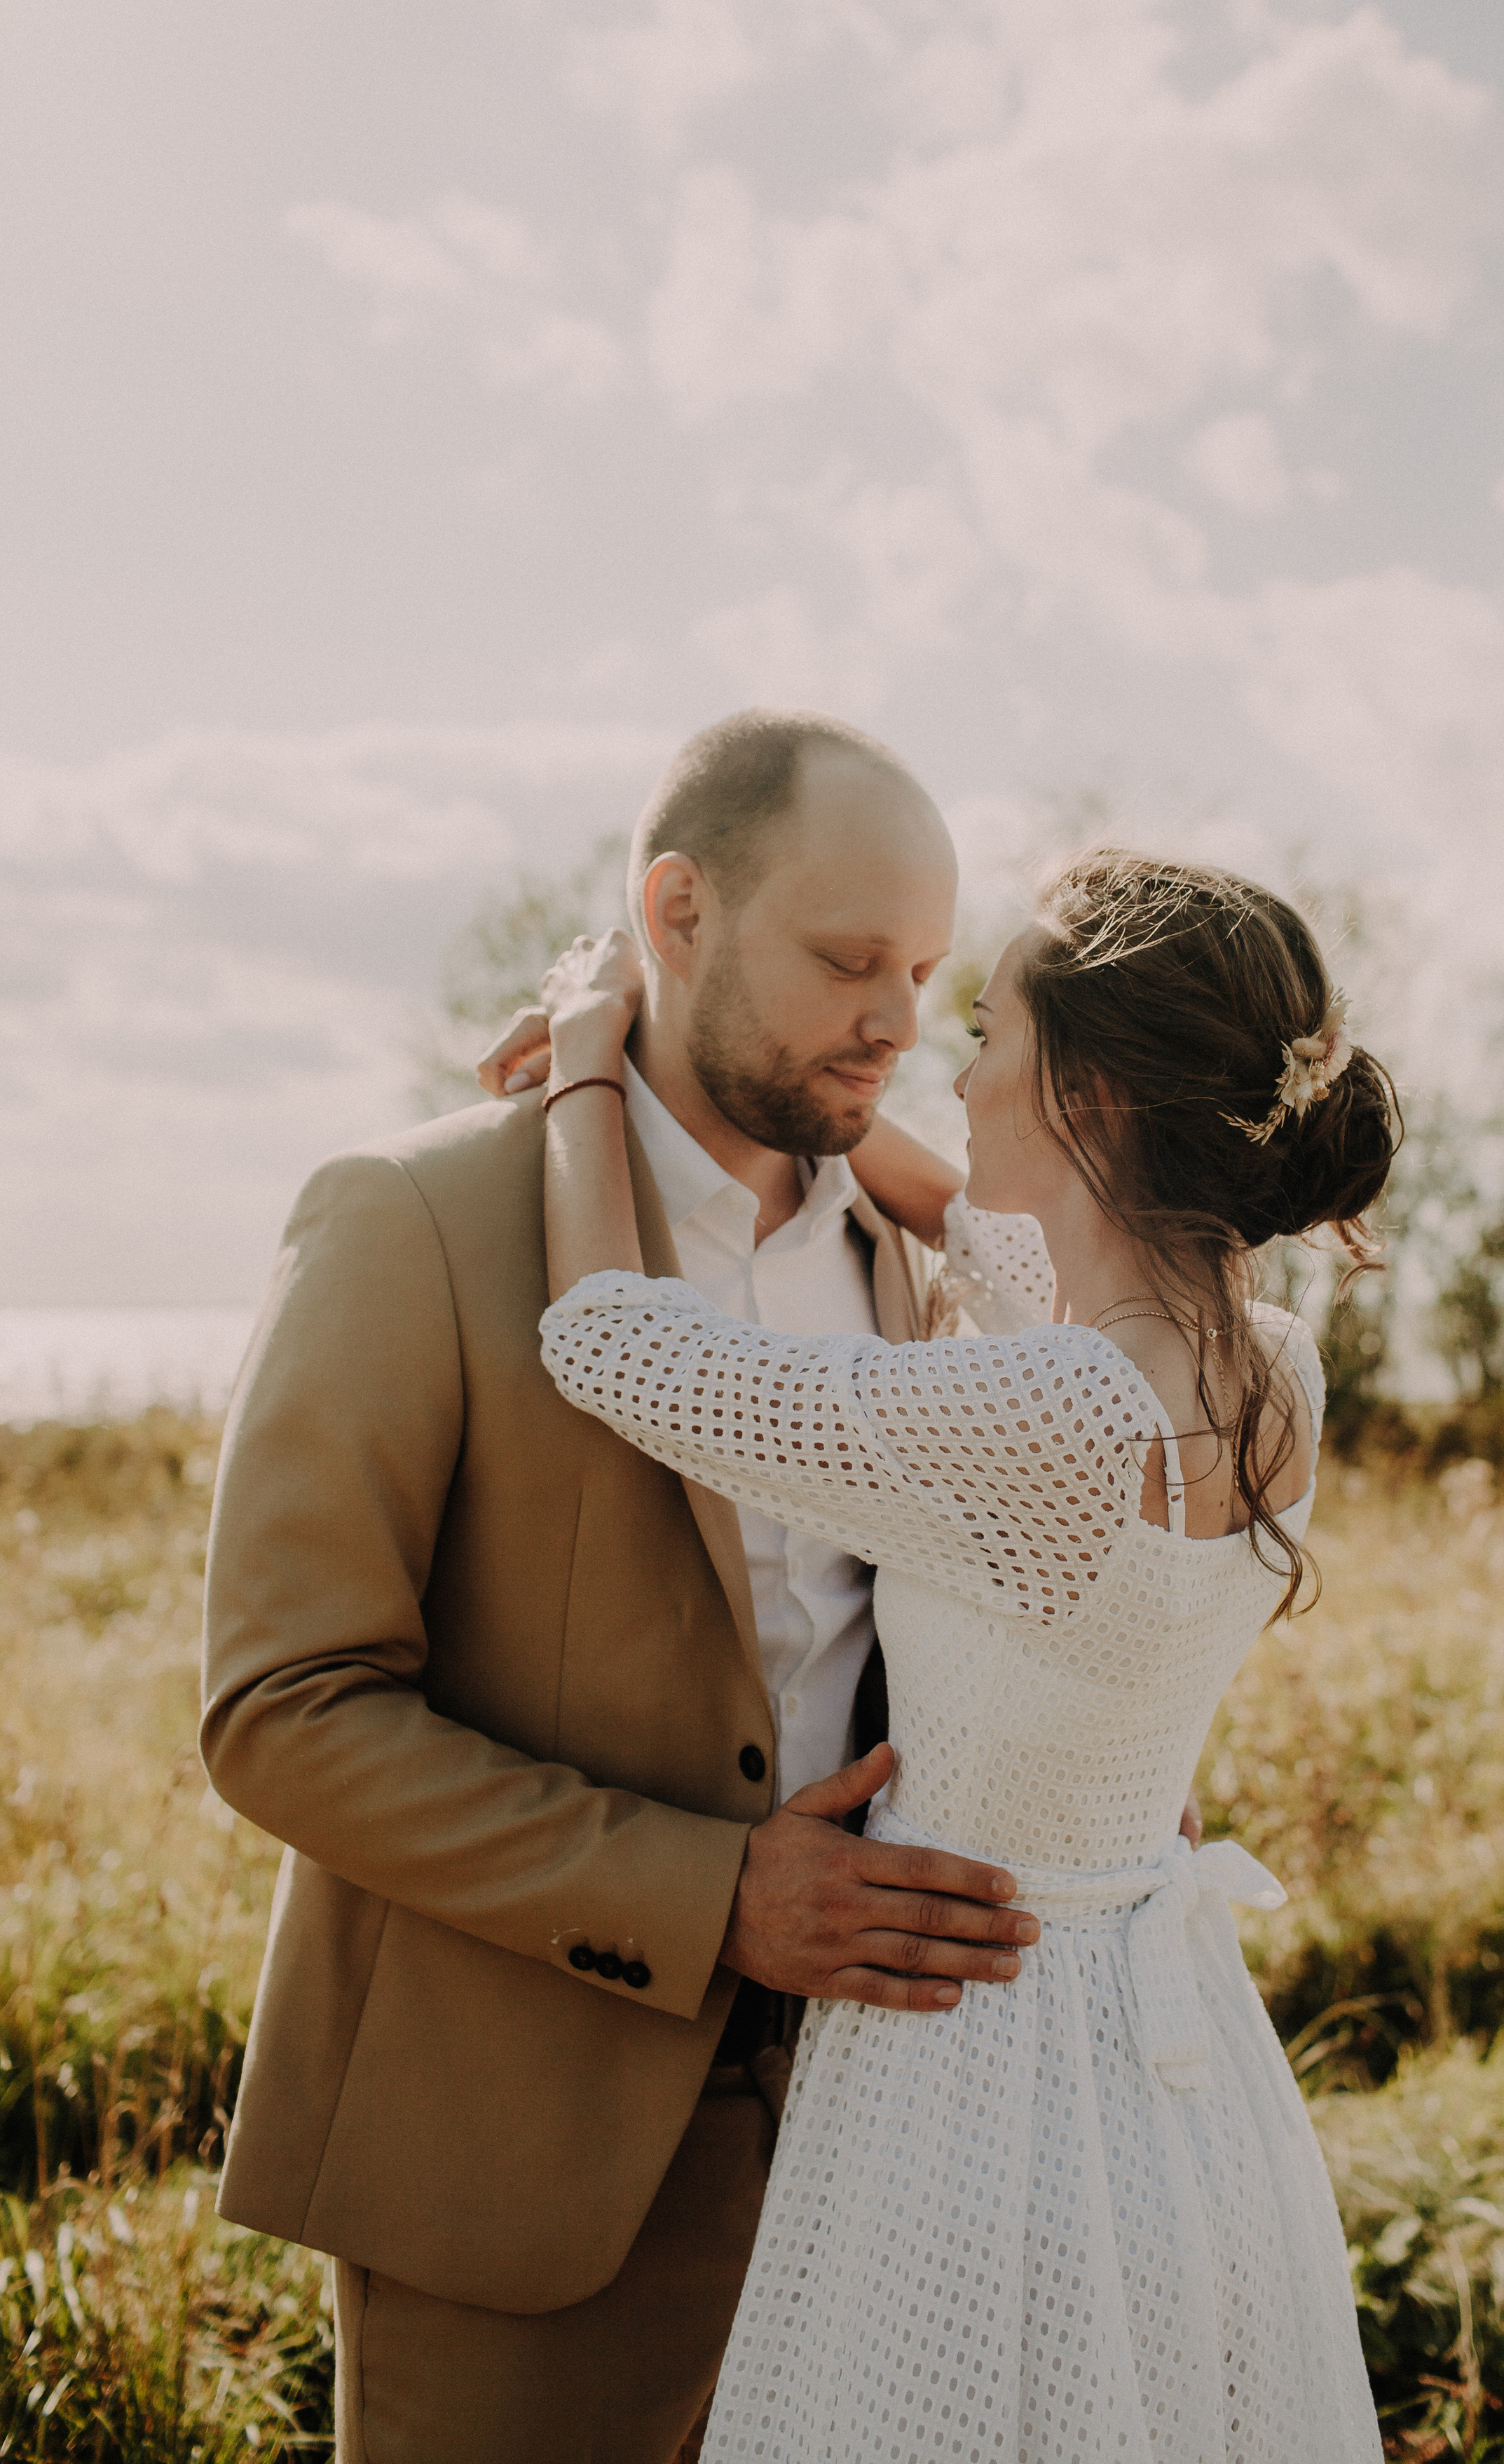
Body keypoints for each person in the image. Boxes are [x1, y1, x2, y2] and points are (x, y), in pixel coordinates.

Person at [199, 711, 1051, 2464]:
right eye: (844, 961)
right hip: (513, 2178)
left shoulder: (930, 1259)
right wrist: (709, 1896)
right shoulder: (411, 1219)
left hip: (881, 2163)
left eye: (921, 970)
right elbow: (281, 1715)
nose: (897, 1021)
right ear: (673, 911)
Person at [528, 847, 1400, 2462]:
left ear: (1084, 1097)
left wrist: (593, 1052)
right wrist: (831, 1103)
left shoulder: (1058, 1414)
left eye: (988, 1031)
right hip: (1173, 2066)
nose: (950, 1063)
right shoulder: (1269, 1366)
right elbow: (989, 1241)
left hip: (981, 2066)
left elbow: (611, 1341)